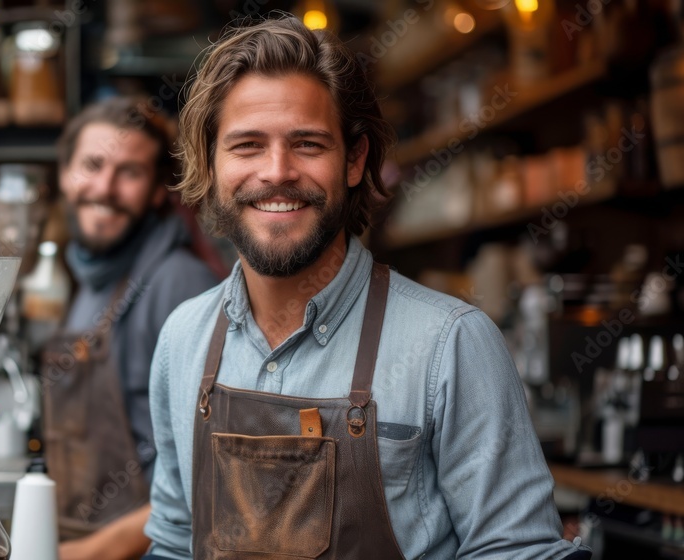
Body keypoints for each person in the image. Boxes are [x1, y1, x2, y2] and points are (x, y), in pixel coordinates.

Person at [142, 17, 591, 560]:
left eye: (307, 143)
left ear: (354, 160)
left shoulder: (450, 345)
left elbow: (518, 553)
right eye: (247, 145)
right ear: (211, 163)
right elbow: (172, 542)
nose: (277, 171)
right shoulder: (182, 338)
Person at [42, 96, 218, 560]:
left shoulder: (179, 282)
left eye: (130, 172)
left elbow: (213, 469)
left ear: (159, 190)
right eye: (93, 164)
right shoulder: (90, 280)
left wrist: (85, 554)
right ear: (64, 174)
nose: (105, 187)